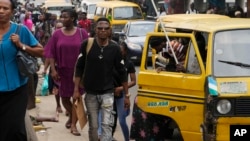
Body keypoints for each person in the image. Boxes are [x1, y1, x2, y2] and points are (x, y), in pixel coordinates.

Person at [73, 17, 129, 141]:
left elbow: (122, 72)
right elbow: (79, 67)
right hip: (91, 93)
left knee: (106, 124)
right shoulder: (87, 45)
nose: (103, 31)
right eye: (100, 28)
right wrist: (76, 89)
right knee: (93, 126)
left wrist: (127, 95)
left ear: (110, 31)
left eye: (106, 28)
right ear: (95, 30)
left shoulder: (115, 49)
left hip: (108, 93)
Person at [0, 0, 44, 141]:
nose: (1, 11)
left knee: (14, 128)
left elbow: (41, 51)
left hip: (16, 90)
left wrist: (21, 45)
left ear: (12, 12)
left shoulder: (20, 30)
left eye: (5, 8)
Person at [44, 8, 88, 136]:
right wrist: (52, 70)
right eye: (61, 17)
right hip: (62, 71)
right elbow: (50, 53)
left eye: (65, 17)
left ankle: (74, 125)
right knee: (64, 98)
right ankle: (74, 117)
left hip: (78, 73)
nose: (62, 19)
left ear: (73, 18)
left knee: (76, 98)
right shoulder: (57, 34)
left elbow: (88, 52)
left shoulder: (82, 33)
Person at [112, 42, 136, 141]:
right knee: (110, 121)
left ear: (125, 52)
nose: (119, 54)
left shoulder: (129, 63)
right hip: (110, 94)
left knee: (122, 121)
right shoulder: (111, 62)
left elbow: (133, 81)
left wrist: (121, 89)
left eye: (121, 52)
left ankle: (127, 139)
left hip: (122, 94)